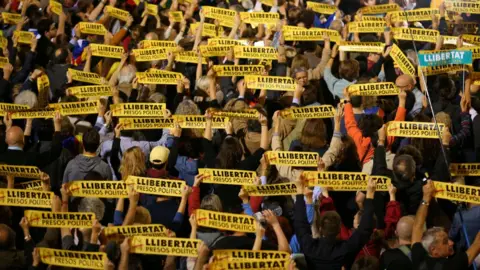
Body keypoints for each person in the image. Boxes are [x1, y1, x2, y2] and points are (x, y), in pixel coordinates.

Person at [410, 180, 480, 269]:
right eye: (445, 242)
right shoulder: (451, 266)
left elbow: (417, 227)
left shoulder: (418, 258)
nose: (451, 243)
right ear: (433, 250)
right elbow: (477, 244)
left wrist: (426, 198)